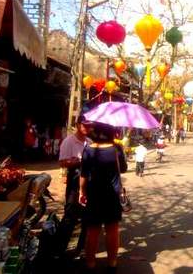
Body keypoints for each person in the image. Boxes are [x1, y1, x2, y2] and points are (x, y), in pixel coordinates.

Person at [79, 122, 127, 273]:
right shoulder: (116, 149)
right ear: (111, 132)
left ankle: (90, 264)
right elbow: (124, 169)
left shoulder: (88, 149)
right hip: (112, 194)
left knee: (92, 230)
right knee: (112, 230)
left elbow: (84, 174)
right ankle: (112, 263)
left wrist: (82, 192)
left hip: (94, 193)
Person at [58, 116, 89, 254]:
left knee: (87, 218)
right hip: (74, 182)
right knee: (70, 215)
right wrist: (77, 162)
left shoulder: (90, 142)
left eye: (90, 125)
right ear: (77, 125)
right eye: (84, 125)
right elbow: (62, 162)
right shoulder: (68, 141)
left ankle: (81, 248)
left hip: (88, 184)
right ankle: (60, 248)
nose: (87, 127)